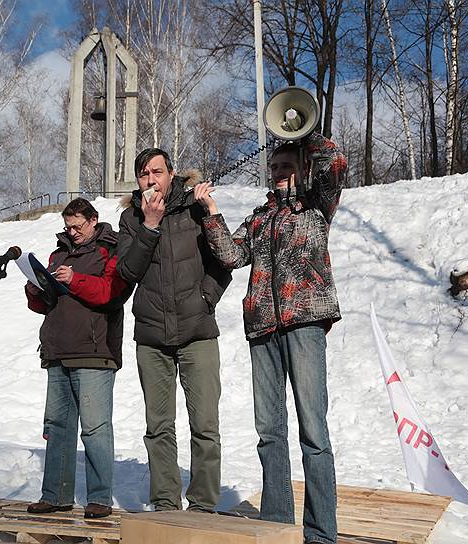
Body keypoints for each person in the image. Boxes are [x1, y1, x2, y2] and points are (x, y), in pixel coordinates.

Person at [201, 133, 347, 544]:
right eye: (276, 168)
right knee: (269, 432)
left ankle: (321, 535)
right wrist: (211, 212)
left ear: (302, 169)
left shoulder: (318, 206)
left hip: (305, 322)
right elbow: (230, 256)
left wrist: (306, 134)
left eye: (287, 166)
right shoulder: (260, 217)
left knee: (314, 434)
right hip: (262, 327)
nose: (280, 173)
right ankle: (277, 527)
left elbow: (334, 163)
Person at [116, 149, 232, 513]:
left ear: (172, 174)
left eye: (157, 172)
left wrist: (205, 299)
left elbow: (224, 262)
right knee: (158, 426)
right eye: (144, 174)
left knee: (205, 424)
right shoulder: (131, 219)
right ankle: (165, 503)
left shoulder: (195, 208)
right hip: (152, 337)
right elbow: (127, 272)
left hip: (197, 331)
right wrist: (149, 226)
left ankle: (202, 504)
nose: (151, 180)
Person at [24, 198, 130, 519]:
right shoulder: (58, 252)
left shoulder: (110, 248)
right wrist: (35, 288)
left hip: (95, 351)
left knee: (95, 428)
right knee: (58, 427)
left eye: (78, 226)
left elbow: (111, 292)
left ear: (93, 220)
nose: (72, 232)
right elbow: (45, 304)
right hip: (58, 350)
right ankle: (55, 495)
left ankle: (99, 498)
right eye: (68, 226)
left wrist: (76, 280)